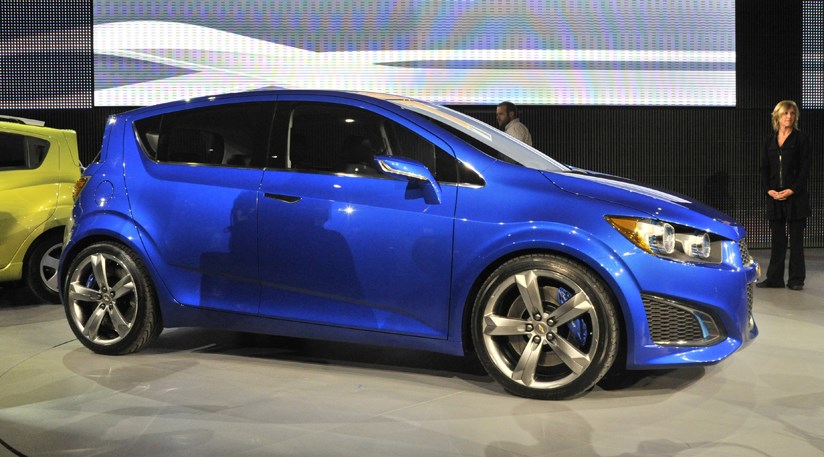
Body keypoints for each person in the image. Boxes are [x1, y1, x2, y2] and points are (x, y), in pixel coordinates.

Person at [756, 100, 811, 290]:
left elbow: (805, 169)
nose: (789, 117)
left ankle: (796, 280)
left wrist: (792, 190)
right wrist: (768, 190)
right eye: (785, 113)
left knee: (796, 240)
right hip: (775, 197)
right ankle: (774, 279)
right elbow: (764, 168)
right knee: (778, 240)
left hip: (795, 197)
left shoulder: (801, 139)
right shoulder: (769, 140)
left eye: (792, 113)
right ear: (777, 116)